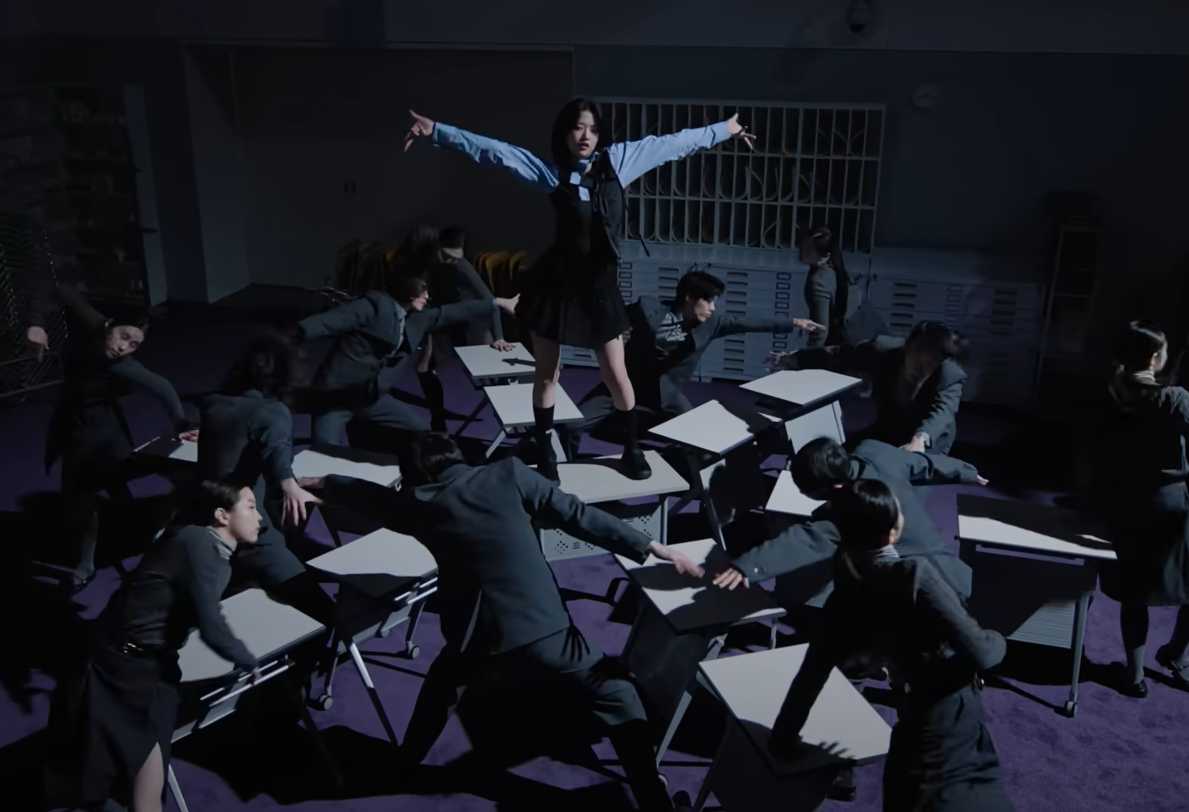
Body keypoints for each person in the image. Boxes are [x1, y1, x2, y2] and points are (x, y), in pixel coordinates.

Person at [302, 433, 703, 811]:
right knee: (618, 694)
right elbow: (577, 515)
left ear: (416, 474)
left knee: (443, 683)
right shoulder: (509, 474)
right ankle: (653, 797)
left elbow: (372, 498)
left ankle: (407, 762)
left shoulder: (419, 503)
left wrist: (323, 483)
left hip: (475, 641)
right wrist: (651, 546)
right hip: (545, 633)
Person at [404, 99, 756, 481]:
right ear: (565, 133)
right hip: (557, 285)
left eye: (592, 129)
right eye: (577, 127)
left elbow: (674, 144)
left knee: (616, 374)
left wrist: (725, 129)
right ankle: (547, 452)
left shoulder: (620, 161)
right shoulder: (552, 173)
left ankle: (632, 448)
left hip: (600, 287)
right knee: (547, 374)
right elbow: (498, 153)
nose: (585, 136)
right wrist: (438, 131)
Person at [727, 479, 1011, 811]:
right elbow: (985, 654)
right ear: (892, 533)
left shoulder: (842, 600)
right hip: (953, 721)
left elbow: (808, 680)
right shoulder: (914, 574)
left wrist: (783, 738)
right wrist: (997, 638)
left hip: (911, 723)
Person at [43, 480, 261, 812]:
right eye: (251, 507)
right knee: (108, 773)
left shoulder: (214, 552)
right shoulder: (197, 544)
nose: (259, 517)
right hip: (120, 668)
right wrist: (245, 658)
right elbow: (210, 623)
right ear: (222, 515)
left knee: (149, 771)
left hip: (154, 667)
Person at [26, 278, 190, 591]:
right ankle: (106, 543)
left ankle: (89, 562)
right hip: (75, 427)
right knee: (88, 497)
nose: (123, 348)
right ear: (110, 325)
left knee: (89, 493)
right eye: (124, 337)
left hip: (101, 436)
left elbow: (162, 387)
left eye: (134, 345)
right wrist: (35, 324)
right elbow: (55, 287)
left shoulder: (121, 365)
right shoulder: (92, 322)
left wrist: (181, 424)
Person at [559, 269, 822, 457]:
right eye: (708, 300)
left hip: (666, 393)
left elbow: (750, 322)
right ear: (688, 298)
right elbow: (611, 319)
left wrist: (794, 323)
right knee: (570, 425)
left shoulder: (713, 324)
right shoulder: (647, 309)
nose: (712, 308)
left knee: (699, 440)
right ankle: (568, 468)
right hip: (624, 384)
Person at [713, 437, 985, 601]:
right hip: (952, 568)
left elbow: (802, 540)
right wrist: (967, 472)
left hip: (924, 587)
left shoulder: (850, 510)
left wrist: (746, 567)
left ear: (834, 488)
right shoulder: (875, 452)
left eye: (806, 491)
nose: (802, 494)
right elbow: (923, 464)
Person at [296, 270, 517, 452]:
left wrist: (497, 303)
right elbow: (325, 323)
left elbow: (453, 312)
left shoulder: (418, 318)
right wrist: (288, 341)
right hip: (337, 397)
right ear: (408, 293)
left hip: (370, 397)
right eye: (423, 292)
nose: (427, 296)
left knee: (420, 431)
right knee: (323, 453)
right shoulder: (372, 307)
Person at [1093, 320, 1189, 697]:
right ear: (1154, 358)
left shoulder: (1110, 395)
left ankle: (1134, 677)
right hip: (1170, 504)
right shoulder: (1174, 399)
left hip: (1123, 503)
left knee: (1134, 593)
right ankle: (1177, 655)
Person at [198, 332, 320, 592]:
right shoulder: (272, 412)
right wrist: (289, 483)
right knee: (314, 603)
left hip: (205, 522)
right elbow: (277, 452)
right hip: (247, 529)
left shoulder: (212, 404)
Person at [774, 320, 968, 454]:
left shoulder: (950, 374)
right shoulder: (883, 350)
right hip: (889, 426)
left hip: (928, 442)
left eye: (930, 365)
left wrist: (920, 439)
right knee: (838, 458)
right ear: (907, 347)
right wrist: (795, 358)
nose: (921, 371)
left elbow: (942, 413)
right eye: (917, 363)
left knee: (900, 484)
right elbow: (839, 354)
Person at [801, 225, 851, 348]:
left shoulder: (818, 281)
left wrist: (805, 357)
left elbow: (820, 332)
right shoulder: (836, 270)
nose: (801, 253)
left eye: (807, 250)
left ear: (825, 256)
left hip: (829, 348)